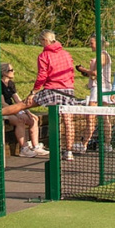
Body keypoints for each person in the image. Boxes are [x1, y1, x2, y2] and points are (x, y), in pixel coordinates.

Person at [30, 29, 79, 162]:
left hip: (52, 89)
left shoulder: (44, 56)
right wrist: (69, 85)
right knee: (68, 120)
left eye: (41, 42)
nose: (41, 44)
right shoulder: (66, 54)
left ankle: (56, 150)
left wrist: (34, 90)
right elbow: (71, 72)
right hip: (67, 89)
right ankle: (68, 151)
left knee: (54, 120)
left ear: (45, 40)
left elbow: (42, 76)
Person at [0, 63, 47, 157]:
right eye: (11, 70)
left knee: (33, 119)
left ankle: (36, 146)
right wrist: (17, 113)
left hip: (11, 109)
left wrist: (28, 112)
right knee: (19, 121)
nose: (14, 72)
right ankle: (24, 149)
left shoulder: (10, 84)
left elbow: (18, 100)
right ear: (3, 72)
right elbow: (3, 103)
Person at [76, 34, 113, 152]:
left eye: (91, 43)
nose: (90, 45)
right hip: (102, 88)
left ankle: (84, 144)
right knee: (103, 117)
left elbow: (95, 73)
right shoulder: (100, 56)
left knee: (91, 116)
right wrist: (87, 73)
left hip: (100, 89)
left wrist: (83, 69)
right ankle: (106, 144)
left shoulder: (103, 55)